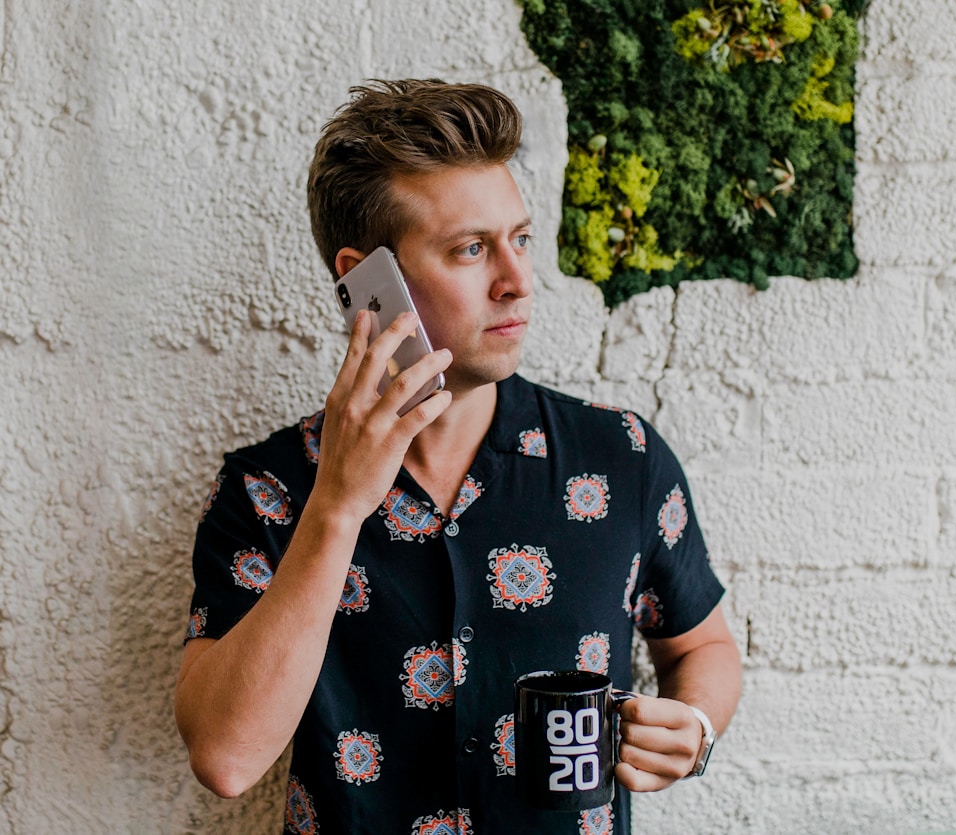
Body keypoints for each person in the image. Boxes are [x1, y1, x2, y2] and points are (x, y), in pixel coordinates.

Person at [173, 79, 741, 835]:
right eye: (471, 249)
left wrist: (695, 723)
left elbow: (701, 641)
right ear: (368, 284)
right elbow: (226, 757)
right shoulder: (268, 490)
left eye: (521, 238)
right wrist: (338, 507)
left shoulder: (623, 457)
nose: (517, 280)